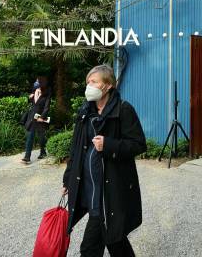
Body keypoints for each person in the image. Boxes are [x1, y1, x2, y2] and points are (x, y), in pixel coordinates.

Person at [61, 64, 146, 257]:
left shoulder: (124, 109)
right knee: (115, 239)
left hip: (110, 188)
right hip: (89, 187)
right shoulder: (85, 111)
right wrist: (68, 179)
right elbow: (75, 149)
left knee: (91, 247)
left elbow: (138, 144)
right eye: (87, 82)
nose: (88, 86)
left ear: (107, 86)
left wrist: (109, 145)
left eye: (93, 82)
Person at [21, 76, 51, 164]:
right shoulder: (34, 91)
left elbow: (47, 107)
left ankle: (43, 152)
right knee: (30, 136)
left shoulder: (47, 94)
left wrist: (42, 117)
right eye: (36, 81)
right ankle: (27, 157)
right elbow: (31, 103)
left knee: (41, 137)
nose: (36, 83)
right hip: (31, 118)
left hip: (40, 118)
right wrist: (29, 97)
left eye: (38, 81)